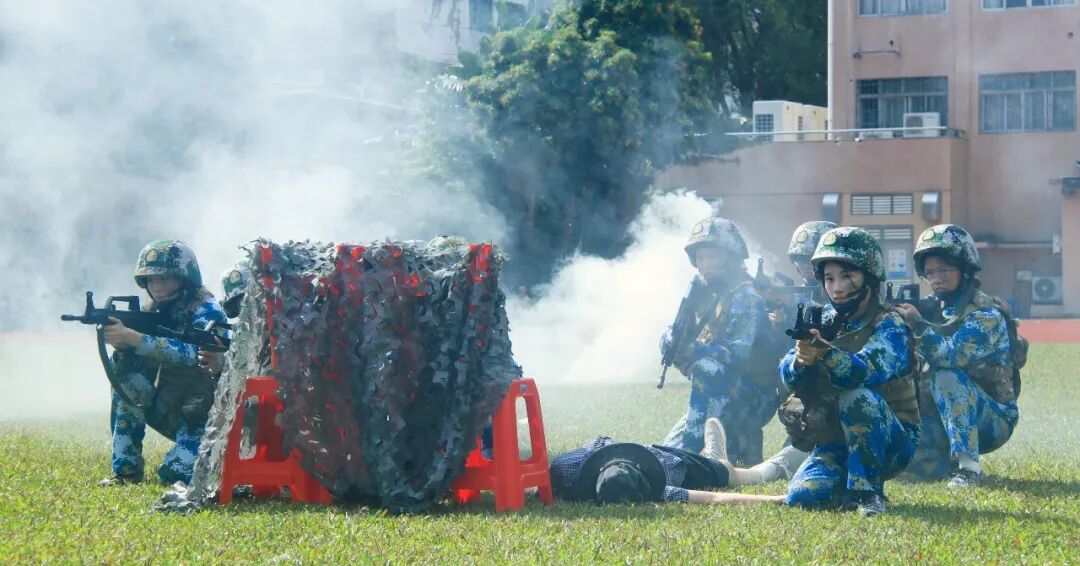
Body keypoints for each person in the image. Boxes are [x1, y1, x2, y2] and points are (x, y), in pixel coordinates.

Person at [776, 227, 920, 515]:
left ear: (869, 277)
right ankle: (846, 482)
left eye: (846, 277)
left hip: (891, 440)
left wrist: (826, 354)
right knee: (803, 497)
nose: (837, 288)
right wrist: (800, 360)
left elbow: (864, 372)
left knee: (857, 397)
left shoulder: (890, 324)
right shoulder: (824, 318)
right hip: (836, 437)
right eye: (829, 279)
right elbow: (786, 374)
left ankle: (867, 493)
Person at [896, 224, 1023, 487]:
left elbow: (950, 356)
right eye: (930, 272)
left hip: (993, 419)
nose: (936, 278)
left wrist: (918, 326)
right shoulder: (936, 310)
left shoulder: (986, 315)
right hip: (941, 411)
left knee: (946, 375)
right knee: (916, 471)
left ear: (964, 269)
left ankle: (969, 469)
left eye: (944, 270)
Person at [99, 240, 229, 486]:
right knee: (124, 376)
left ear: (185, 278)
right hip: (170, 407)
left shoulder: (207, 311)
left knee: (175, 476)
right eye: (150, 280)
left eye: (164, 278)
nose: (156, 286)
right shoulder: (151, 311)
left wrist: (136, 339)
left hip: (208, 420)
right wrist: (124, 346)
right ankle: (125, 469)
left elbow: (195, 355)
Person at [659, 217, 773, 465]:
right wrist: (670, 341)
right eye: (700, 258)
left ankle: (693, 456)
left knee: (706, 368)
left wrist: (692, 349)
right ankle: (694, 454)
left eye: (713, 256)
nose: (705, 264)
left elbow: (737, 353)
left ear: (731, 258)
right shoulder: (704, 294)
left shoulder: (746, 296)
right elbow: (682, 334)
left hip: (755, 396)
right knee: (665, 455)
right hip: (721, 390)